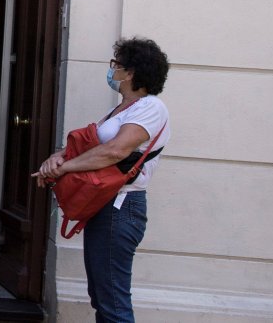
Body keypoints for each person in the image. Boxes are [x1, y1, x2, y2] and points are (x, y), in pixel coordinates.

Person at [34, 37, 171, 323]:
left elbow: (114, 151)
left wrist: (64, 167)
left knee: (113, 302)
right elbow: (92, 147)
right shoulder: (122, 110)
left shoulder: (151, 108)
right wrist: (57, 157)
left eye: (116, 65)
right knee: (102, 295)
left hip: (122, 208)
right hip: (106, 207)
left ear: (131, 72)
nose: (112, 71)